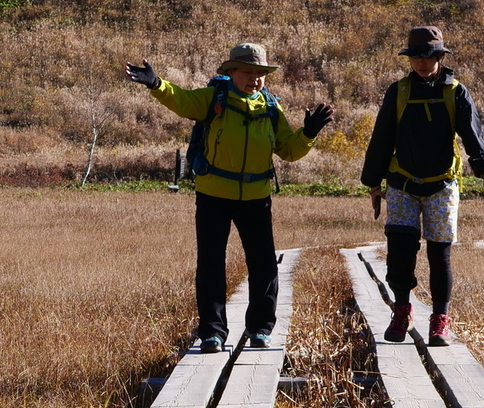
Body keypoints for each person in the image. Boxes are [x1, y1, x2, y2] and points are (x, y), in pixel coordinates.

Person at [125, 43, 332, 353]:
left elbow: (289, 151)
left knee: (264, 266)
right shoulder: (213, 99)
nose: (255, 78)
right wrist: (157, 84)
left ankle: (260, 329)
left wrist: (308, 133)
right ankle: (212, 332)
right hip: (213, 195)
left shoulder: (271, 108)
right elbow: (181, 101)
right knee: (210, 265)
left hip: (256, 198)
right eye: (248, 71)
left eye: (260, 73)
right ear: (231, 72)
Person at [359, 25, 484, 346]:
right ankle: (402, 311)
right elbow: (382, 138)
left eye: (428, 57)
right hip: (402, 183)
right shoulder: (399, 91)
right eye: (416, 57)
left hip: (442, 185)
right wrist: (373, 182)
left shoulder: (455, 92)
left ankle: (439, 321)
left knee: (440, 254)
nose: (422, 63)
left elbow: (474, 137)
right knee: (399, 252)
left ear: (440, 56)